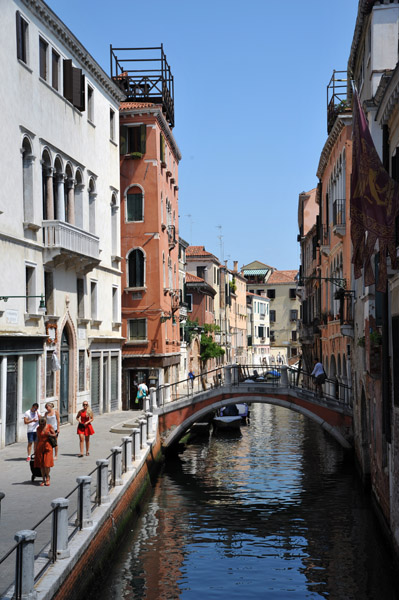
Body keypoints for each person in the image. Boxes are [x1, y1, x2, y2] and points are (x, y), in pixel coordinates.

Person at [34, 417, 56, 486]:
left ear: (45, 423)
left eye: (43, 424)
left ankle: (47, 478)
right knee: (41, 465)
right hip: (40, 447)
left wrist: (50, 434)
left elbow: (55, 435)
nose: (42, 425)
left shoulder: (49, 427)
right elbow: (37, 439)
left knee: (47, 464)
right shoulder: (38, 429)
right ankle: (43, 479)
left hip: (48, 446)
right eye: (41, 424)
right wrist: (35, 449)